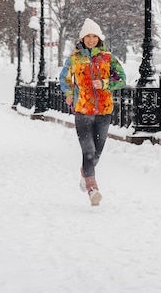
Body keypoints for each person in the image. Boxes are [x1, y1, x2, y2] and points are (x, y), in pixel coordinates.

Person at [59, 18, 127, 206]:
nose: (90, 39)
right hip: (83, 110)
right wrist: (69, 94)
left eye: (94, 36)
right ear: (82, 38)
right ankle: (92, 189)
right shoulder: (74, 58)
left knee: (97, 154)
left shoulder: (108, 57)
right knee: (88, 151)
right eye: (87, 36)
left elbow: (122, 79)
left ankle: (85, 174)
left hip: (104, 111)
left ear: (99, 38)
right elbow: (64, 79)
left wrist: (105, 83)